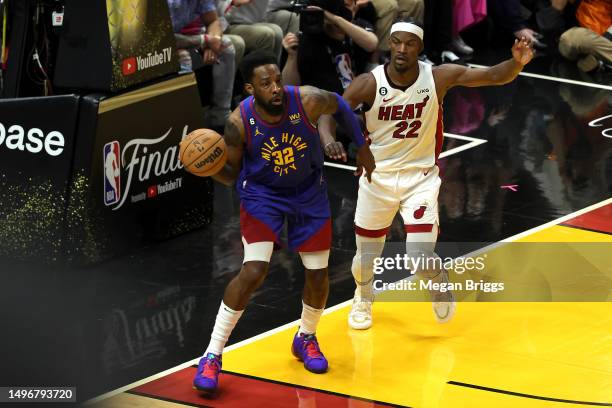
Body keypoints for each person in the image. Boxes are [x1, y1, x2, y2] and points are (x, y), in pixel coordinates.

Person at [321, 17, 533, 330]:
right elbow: (331, 111)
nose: (402, 49)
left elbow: (492, 75)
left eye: (409, 43)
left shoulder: (437, 77)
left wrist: (516, 63)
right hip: (376, 179)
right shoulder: (369, 82)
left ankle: (437, 282)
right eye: (397, 43)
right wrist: (328, 139)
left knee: (419, 258)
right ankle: (363, 297)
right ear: (389, 45)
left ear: (420, 48)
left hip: (420, 178)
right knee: (365, 258)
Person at [192, 52, 376, 392]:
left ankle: (305, 337)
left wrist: (361, 148)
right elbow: (231, 174)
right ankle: (212, 355)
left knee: (318, 274)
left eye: (277, 80)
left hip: (308, 193)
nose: (276, 88)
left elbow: (339, 103)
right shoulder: (238, 121)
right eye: (266, 84)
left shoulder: (306, 100)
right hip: (263, 197)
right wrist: (210, 167)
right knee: (253, 271)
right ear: (250, 89)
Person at [167, 0, 238, 129]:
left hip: (189, 39)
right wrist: (204, 40)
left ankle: (220, 117)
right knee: (183, 58)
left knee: (225, 47)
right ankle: (185, 124)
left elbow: (213, 21)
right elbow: (164, 37)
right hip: (158, 50)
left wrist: (212, 43)